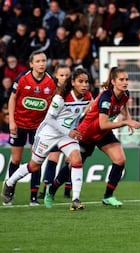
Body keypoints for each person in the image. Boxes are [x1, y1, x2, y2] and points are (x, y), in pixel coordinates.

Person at [44, 67, 140, 207]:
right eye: (121, 79)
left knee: (120, 160)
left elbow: (123, 105)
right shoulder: (106, 98)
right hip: (86, 134)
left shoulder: (125, 94)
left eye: (126, 79)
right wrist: (126, 122)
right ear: (113, 81)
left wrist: (129, 119)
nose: (125, 82)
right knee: (72, 165)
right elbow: (103, 124)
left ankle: (108, 196)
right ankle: (51, 190)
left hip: (103, 134)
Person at [1, 68, 93, 210]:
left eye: (86, 82)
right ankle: (9, 182)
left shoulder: (87, 97)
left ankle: (75, 199)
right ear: (73, 83)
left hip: (65, 135)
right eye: (81, 81)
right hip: (48, 134)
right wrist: (69, 131)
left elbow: (94, 106)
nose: (84, 85)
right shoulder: (61, 97)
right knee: (34, 166)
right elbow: (49, 119)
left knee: (77, 159)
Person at [2, 52, 57, 206]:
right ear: (31, 64)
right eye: (38, 61)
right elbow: (12, 99)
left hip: (38, 127)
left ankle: (33, 197)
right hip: (19, 124)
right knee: (16, 159)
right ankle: (9, 191)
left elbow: (55, 102)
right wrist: (12, 121)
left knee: (36, 160)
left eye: (44, 60)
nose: (41, 63)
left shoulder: (51, 81)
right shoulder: (22, 78)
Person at [39, 64, 72, 199]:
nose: (64, 78)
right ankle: (47, 189)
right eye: (62, 75)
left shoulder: (74, 91)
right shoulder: (52, 91)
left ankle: (68, 190)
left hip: (71, 129)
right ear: (56, 76)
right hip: (54, 129)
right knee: (53, 158)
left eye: (67, 75)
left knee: (72, 159)